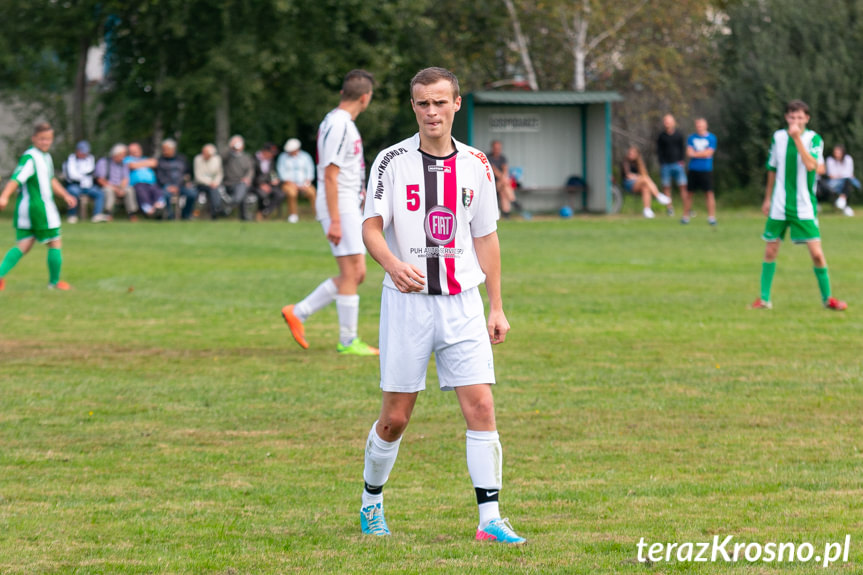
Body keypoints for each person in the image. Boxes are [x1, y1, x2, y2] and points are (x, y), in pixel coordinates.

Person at [358, 67, 526, 545]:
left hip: (462, 304)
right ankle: (372, 501)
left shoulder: (476, 163)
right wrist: (390, 262)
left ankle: (490, 519)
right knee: (395, 417)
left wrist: (496, 305)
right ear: (413, 107)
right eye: (422, 104)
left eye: (439, 102)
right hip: (407, 306)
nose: (431, 112)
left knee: (481, 406)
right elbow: (371, 226)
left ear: (456, 103)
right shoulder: (391, 161)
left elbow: (486, 237)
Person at [280, 69, 379, 355]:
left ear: (342, 93)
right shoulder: (339, 124)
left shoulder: (338, 121)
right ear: (365, 97)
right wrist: (336, 219)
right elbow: (331, 174)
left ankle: (298, 312)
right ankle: (348, 341)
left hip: (346, 204)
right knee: (351, 273)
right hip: (340, 204)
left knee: (356, 272)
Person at [752, 100, 847, 311]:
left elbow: (812, 165)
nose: (796, 121)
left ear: (807, 119)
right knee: (770, 251)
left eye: (800, 118)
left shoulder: (813, 139)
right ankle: (764, 299)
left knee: (817, 254)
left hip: (804, 205)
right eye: (792, 117)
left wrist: (796, 139)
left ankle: (827, 299)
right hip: (779, 203)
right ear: (786, 117)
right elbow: (772, 168)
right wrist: (767, 198)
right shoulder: (777, 137)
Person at [0, 122, 77, 291]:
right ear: (33, 139)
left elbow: (50, 180)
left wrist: (64, 195)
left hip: (28, 209)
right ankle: (54, 283)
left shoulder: (45, 157)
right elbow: (16, 178)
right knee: (55, 242)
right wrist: (4, 196)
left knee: (24, 245)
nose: (45, 142)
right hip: (39, 208)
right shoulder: (31, 157)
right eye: (42, 139)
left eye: (48, 139)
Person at [620, 146, 671, 218]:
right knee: (645, 178)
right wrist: (638, 177)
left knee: (645, 187)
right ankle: (658, 195)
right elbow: (628, 176)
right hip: (628, 184)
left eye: (633, 153)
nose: (631, 154)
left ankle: (647, 210)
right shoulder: (625, 162)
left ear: (637, 154)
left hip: (638, 183)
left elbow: (644, 173)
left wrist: (639, 176)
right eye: (630, 153)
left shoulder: (639, 163)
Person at [64, 140, 107, 223]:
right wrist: (85, 175)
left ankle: (97, 215)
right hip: (75, 185)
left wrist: (83, 174)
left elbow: (91, 171)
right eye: (82, 152)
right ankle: (72, 215)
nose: (84, 154)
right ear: (77, 151)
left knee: (100, 193)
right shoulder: (71, 159)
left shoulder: (90, 158)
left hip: (88, 186)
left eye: (86, 152)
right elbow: (73, 175)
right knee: (72, 191)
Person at [686, 118, 718, 225]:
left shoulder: (712, 138)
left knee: (708, 193)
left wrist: (696, 154)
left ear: (706, 126)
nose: (699, 127)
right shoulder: (691, 138)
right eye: (698, 125)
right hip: (693, 169)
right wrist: (701, 154)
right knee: (689, 193)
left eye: (701, 125)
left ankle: (711, 217)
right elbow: (689, 152)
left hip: (706, 169)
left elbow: (708, 153)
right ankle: (685, 216)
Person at [277, 137, 316, 223]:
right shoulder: (283, 157)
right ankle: (293, 215)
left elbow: (310, 171)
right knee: (292, 193)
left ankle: (317, 214)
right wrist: (292, 184)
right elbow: (281, 173)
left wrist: (306, 183)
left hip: (304, 184)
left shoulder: (306, 157)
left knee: (312, 192)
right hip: (289, 184)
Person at [657, 114, 689, 221]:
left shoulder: (679, 135)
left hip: (677, 164)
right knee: (666, 187)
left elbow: (682, 148)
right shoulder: (661, 136)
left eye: (669, 121)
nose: (667, 123)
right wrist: (662, 162)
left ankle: (687, 208)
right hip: (666, 165)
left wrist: (681, 161)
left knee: (683, 186)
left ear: (673, 122)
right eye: (665, 121)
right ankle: (669, 208)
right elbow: (659, 151)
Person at [95, 144, 138, 220]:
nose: (123, 157)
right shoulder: (104, 162)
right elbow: (100, 180)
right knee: (108, 190)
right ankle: (108, 213)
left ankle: (132, 214)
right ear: (115, 155)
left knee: (130, 190)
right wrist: (115, 189)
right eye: (122, 155)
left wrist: (121, 188)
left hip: (120, 186)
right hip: (108, 185)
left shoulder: (123, 164)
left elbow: (125, 178)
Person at [156, 138, 196, 220]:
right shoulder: (160, 160)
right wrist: (168, 186)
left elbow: (187, 173)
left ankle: (186, 214)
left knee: (192, 193)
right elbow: (159, 176)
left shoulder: (182, 159)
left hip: (181, 185)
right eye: (163, 149)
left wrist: (186, 182)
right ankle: (170, 215)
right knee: (165, 195)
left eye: (166, 149)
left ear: (173, 149)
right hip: (167, 186)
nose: (164, 151)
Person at [125, 142, 164, 218]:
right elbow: (132, 165)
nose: (135, 152)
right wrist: (146, 163)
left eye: (136, 150)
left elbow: (154, 163)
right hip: (138, 184)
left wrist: (139, 164)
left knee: (157, 191)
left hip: (151, 183)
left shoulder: (144, 158)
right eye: (132, 151)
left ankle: (158, 207)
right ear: (129, 152)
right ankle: (149, 210)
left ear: (140, 150)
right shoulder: (127, 159)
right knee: (142, 192)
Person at [222, 135, 255, 220]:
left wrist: (247, 178)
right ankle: (243, 216)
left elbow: (250, 170)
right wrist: (231, 147)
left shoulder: (246, 157)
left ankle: (229, 206)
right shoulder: (228, 156)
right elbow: (222, 157)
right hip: (229, 183)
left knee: (242, 190)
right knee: (242, 194)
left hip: (241, 182)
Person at [487, 140, 521, 217]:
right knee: (504, 184)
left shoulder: (502, 158)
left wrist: (504, 178)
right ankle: (513, 201)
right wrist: (504, 179)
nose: (497, 150)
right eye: (496, 148)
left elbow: (505, 169)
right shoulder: (488, 157)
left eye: (499, 148)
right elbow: (494, 170)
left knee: (503, 191)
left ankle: (506, 213)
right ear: (492, 148)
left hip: (501, 183)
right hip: (491, 184)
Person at [253, 143, 284, 221]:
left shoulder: (271, 161)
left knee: (280, 194)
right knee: (262, 195)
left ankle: (266, 212)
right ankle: (259, 212)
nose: (273, 155)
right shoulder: (253, 159)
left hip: (268, 185)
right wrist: (261, 184)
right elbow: (251, 175)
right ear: (265, 151)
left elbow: (272, 173)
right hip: (256, 185)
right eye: (271, 153)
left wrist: (275, 180)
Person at [824, 144, 857, 216]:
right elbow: (831, 175)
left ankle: (842, 199)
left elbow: (849, 173)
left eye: (838, 152)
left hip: (846, 180)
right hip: (834, 182)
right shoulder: (830, 160)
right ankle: (843, 201)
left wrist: (840, 175)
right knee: (848, 182)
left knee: (848, 181)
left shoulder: (848, 159)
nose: (836, 154)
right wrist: (841, 175)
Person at [193, 144, 224, 219]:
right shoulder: (198, 159)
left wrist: (216, 182)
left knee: (215, 191)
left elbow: (219, 174)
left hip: (214, 184)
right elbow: (198, 176)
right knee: (212, 191)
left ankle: (216, 210)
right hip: (201, 184)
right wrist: (210, 183)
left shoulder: (217, 159)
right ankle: (215, 210)